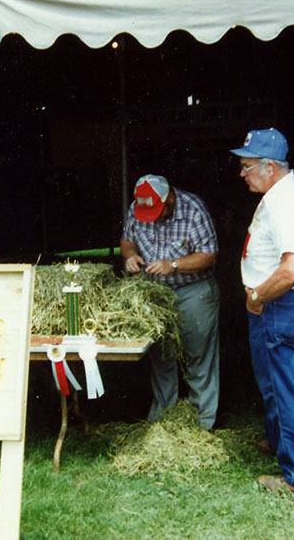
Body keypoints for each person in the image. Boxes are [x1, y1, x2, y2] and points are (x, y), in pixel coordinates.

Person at [231, 128, 294, 495]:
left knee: (282, 388)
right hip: (281, 302)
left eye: (247, 166)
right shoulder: (290, 190)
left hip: (277, 302)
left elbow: (292, 269)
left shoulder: (282, 202)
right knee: (272, 380)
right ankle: (277, 441)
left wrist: (258, 295)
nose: (242, 174)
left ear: (269, 167)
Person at [121, 174, 220, 430]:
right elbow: (127, 240)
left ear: (170, 198)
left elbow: (209, 256)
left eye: (156, 210)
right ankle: (163, 419)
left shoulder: (193, 209)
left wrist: (173, 265)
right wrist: (131, 256)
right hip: (155, 294)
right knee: (161, 356)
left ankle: (202, 423)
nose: (151, 217)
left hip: (192, 290)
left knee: (198, 356)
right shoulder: (137, 206)